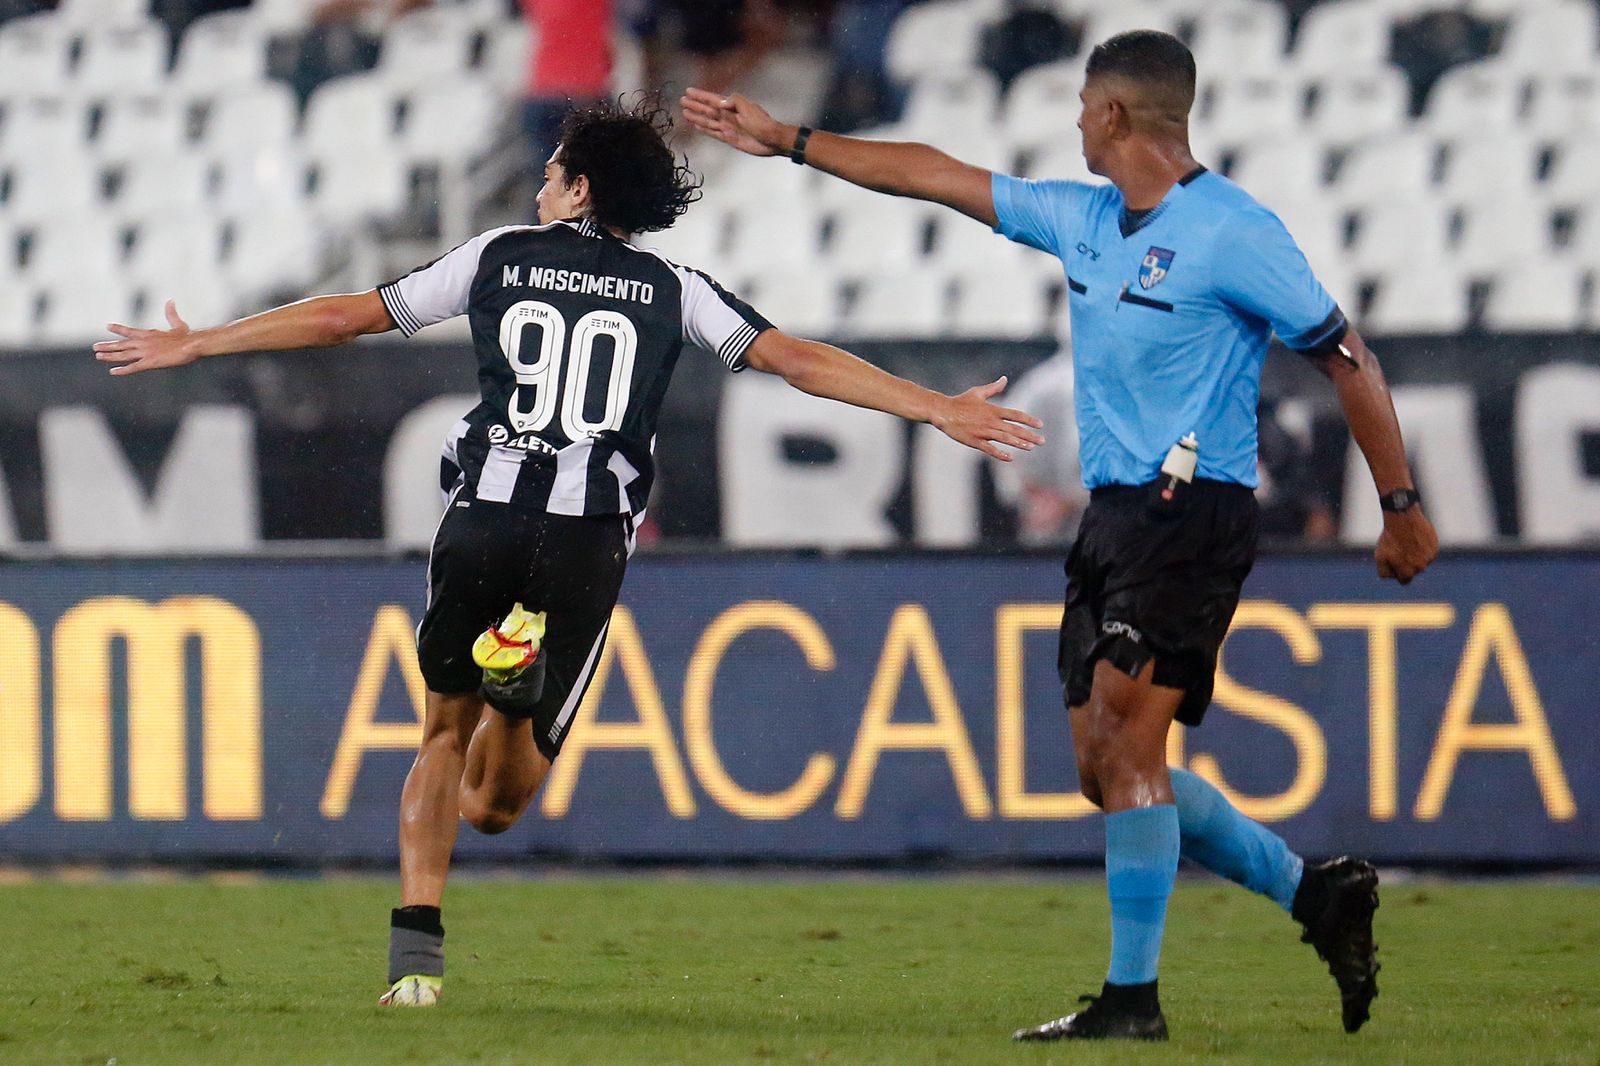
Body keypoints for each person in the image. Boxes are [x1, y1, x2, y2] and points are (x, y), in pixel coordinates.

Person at [92, 98, 1044, 1008]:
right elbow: (795, 359)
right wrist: (934, 406)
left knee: (438, 741)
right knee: (499, 806)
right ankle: (519, 690)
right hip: (586, 542)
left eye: (552, 178)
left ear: (583, 190)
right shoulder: (677, 289)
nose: (540, 192)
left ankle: (415, 963)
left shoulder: (500, 258)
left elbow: (348, 314)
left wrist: (205, 342)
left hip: (484, 519)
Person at [683, 28, 1438, 1042]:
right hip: (1113, 517)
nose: (1077, 124)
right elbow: (936, 176)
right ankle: (1315, 895)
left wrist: (1398, 503)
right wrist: (791, 141)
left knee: (1128, 739)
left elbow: (1346, 357)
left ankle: (1132, 1001)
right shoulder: (1081, 218)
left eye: (1085, 108)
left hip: (1193, 513)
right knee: (1107, 763)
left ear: (1116, 114)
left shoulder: (1232, 230)